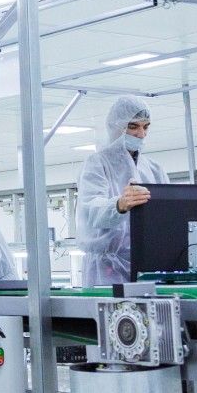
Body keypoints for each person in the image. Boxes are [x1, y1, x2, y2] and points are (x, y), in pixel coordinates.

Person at [76, 95, 169, 286]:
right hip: (107, 268)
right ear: (117, 127)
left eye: (146, 127)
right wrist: (119, 204)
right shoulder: (97, 163)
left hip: (146, 264)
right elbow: (91, 209)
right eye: (133, 126)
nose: (141, 134)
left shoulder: (153, 168)